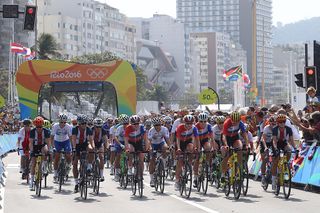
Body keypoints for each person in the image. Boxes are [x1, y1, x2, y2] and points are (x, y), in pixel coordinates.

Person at [221, 111, 249, 183]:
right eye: (233, 121)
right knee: (226, 156)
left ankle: (239, 170)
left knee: (240, 148)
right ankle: (223, 174)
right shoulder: (226, 123)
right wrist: (226, 145)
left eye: (236, 122)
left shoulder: (241, 123)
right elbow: (223, 136)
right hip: (226, 139)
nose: (234, 123)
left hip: (235, 138)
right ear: (231, 119)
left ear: (239, 120)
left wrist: (247, 144)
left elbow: (245, 134)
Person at [271, 114, 297, 191]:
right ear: (278, 122)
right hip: (276, 144)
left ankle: (285, 164)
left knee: (289, 150)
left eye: (284, 122)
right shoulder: (275, 129)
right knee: (275, 161)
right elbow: (274, 141)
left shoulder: (288, 129)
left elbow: (291, 140)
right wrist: (275, 149)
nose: (282, 123)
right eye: (280, 122)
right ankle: (273, 180)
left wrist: (295, 148)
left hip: (284, 143)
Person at [174, 115, 199, 190]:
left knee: (191, 149)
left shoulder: (194, 128)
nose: (189, 125)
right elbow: (177, 139)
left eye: (191, 123)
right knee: (180, 162)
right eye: (187, 123)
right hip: (180, 143)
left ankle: (188, 165)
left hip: (188, 142)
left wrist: (196, 148)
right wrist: (178, 148)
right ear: (184, 123)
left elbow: (196, 139)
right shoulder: (180, 127)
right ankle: (177, 180)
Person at [71, 114, 94, 193]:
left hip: (84, 144)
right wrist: (74, 149)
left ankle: (89, 167)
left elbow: (91, 140)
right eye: (82, 123)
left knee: (91, 150)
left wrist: (93, 147)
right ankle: (76, 183)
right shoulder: (75, 129)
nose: (84, 125)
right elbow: (73, 139)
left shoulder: (89, 129)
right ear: (79, 124)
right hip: (76, 145)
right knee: (74, 164)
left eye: (85, 123)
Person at [28, 116, 51, 190]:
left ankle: (44, 166)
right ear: (35, 126)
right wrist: (31, 151)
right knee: (33, 163)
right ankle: (31, 181)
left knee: (46, 150)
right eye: (37, 127)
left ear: (42, 125)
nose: (39, 128)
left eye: (40, 126)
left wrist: (49, 151)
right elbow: (30, 143)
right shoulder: (32, 131)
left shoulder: (46, 131)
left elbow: (48, 142)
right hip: (34, 146)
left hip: (42, 145)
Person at [148, 117, 170, 187]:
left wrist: (170, 146)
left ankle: (163, 163)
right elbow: (149, 141)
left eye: (159, 125)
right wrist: (150, 148)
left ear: (161, 124)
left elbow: (167, 139)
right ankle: (152, 179)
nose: (157, 127)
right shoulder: (151, 130)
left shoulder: (164, 129)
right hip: (153, 144)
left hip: (161, 143)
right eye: (156, 125)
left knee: (166, 148)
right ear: (153, 126)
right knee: (152, 160)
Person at [51, 113, 72, 182]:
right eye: (61, 122)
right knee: (57, 157)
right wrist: (53, 146)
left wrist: (72, 146)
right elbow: (52, 137)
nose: (63, 124)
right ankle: (55, 174)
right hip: (57, 141)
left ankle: (68, 166)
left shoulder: (68, 127)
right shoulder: (55, 126)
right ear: (59, 121)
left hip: (66, 141)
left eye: (64, 122)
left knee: (68, 155)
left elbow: (70, 137)